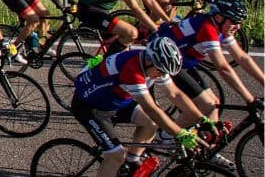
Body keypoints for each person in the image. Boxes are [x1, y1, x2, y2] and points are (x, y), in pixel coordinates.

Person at [72, 36, 207, 177]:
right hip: (90, 106)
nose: (162, 75)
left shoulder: (153, 64)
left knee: (151, 123)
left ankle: (131, 162)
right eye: (161, 71)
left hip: (116, 99)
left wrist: (202, 118)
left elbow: (175, 94)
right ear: (150, 61)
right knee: (116, 155)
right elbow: (151, 108)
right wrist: (180, 133)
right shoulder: (132, 71)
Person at [156, 0, 265, 128]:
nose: (238, 26)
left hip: (183, 63)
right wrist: (249, 99)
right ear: (219, 17)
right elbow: (223, 68)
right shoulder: (208, 29)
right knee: (208, 106)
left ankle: (210, 145)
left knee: (213, 106)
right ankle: (169, 136)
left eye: (240, 22)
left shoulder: (220, 27)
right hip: (165, 63)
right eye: (235, 21)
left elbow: (243, 57)